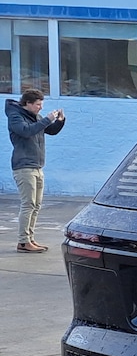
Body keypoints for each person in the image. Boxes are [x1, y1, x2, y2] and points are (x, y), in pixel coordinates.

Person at [6, 89, 65, 252]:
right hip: (24, 166)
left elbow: (50, 130)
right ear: (28, 103)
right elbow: (26, 131)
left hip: (37, 166)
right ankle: (23, 241)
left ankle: (29, 239)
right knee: (28, 204)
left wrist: (60, 121)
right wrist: (47, 119)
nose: (41, 107)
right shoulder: (16, 117)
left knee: (36, 205)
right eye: (38, 104)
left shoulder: (35, 117)